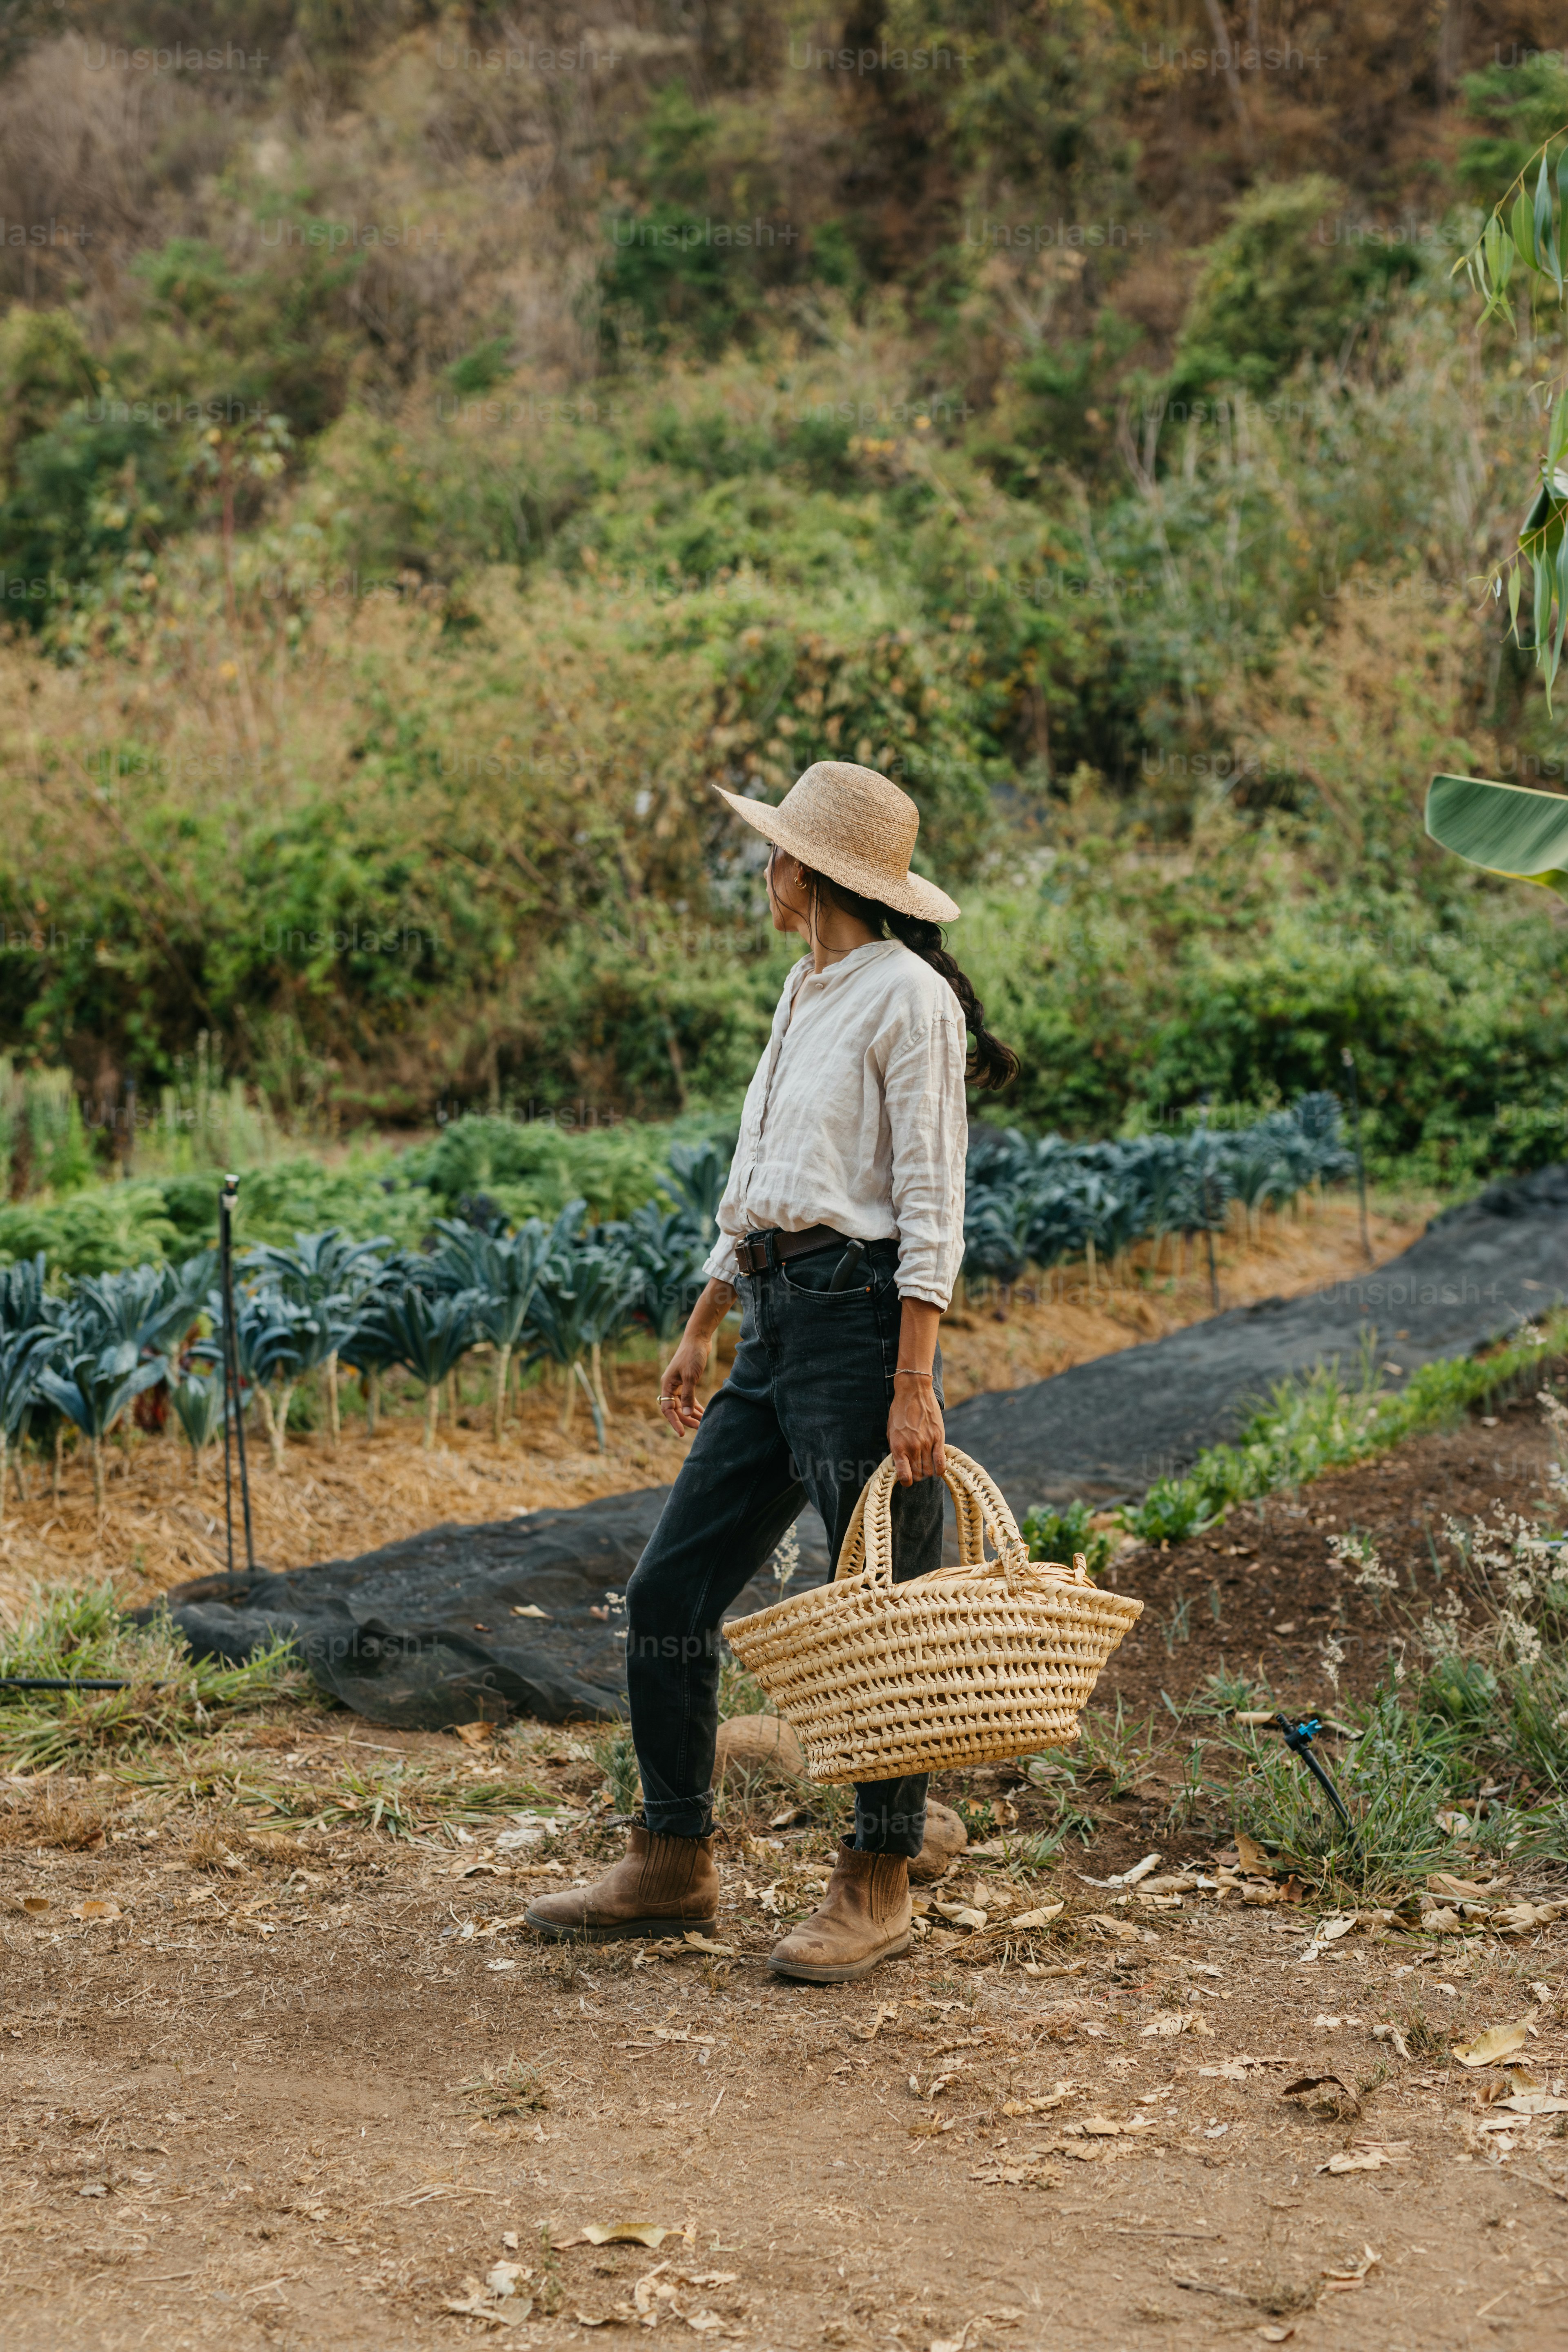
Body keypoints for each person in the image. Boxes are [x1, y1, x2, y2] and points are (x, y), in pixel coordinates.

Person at [526, 761, 1017, 1981]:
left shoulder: (910, 1000)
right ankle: (673, 1861)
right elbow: (763, 1182)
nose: (764, 868)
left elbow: (928, 1199)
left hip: (861, 1332)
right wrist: (706, 1318)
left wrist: (915, 1378)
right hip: (777, 1327)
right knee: (670, 1593)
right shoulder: (808, 991)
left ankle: (881, 1873)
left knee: (885, 1614)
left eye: (775, 852)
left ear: (813, 872)